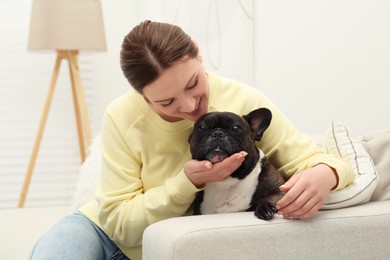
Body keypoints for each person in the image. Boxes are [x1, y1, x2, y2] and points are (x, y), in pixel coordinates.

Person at [29, 20, 354, 260]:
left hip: (178, 246)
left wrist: (326, 173)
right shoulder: (122, 116)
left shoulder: (242, 99)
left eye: (193, 84)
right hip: (103, 234)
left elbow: (321, 159)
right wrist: (185, 184)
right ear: (141, 96)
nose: (188, 106)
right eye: (166, 102)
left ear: (198, 54)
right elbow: (117, 223)